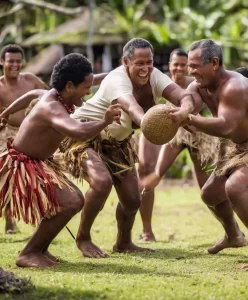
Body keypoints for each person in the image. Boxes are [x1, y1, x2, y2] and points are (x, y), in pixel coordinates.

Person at [169, 39, 248, 270]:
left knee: (237, 187)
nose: (191, 72)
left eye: (195, 66)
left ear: (215, 63)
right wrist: (184, 110)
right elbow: (190, 98)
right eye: (189, 66)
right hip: (246, 146)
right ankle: (238, 236)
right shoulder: (200, 85)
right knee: (211, 194)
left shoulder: (234, 87)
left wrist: (189, 119)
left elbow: (225, 127)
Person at [60, 38, 197, 258]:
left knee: (133, 199)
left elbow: (183, 95)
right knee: (101, 182)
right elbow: (131, 107)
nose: (145, 69)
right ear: (126, 61)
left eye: (149, 63)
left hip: (117, 141)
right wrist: (150, 124)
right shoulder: (118, 79)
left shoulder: (155, 76)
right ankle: (83, 238)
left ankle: (123, 242)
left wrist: (185, 112)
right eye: (139, 64)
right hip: (85, 133)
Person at [0, 53, 121, 268]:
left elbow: (30, 96)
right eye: (86, 86)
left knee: (72, 200)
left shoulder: (51, 95)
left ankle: (40, 249)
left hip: (38, 162)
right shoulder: (52, 108)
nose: (89, 91)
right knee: (73, 200)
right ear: (69, 86)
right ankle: (29, 252)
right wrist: (105, 121)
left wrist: (6, 112)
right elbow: (79, 131)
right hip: (22, 165)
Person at [139, 49, 218, 242]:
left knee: (206, 185)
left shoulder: (195, 85)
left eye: (184, 64)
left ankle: (232, 230)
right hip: (158, 130)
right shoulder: (160, 83)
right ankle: (147, 232)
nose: (180, 68)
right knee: (145, 169)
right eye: (176, 64)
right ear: (169, 64)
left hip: (192, 132)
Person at [0, 44, 49, 234]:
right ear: (2, 62)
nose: (15, 64)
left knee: (38, 174)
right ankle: (9, 218)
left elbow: (50, 95)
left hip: (31, 133)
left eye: (18, 61)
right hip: (6, 135)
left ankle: (44, 216)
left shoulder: (31, 81)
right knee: (7, 176)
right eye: (10, 61)